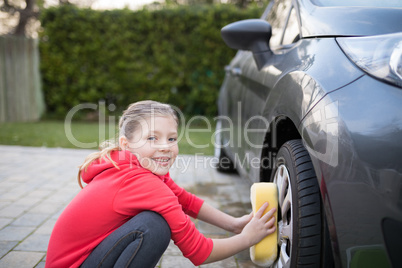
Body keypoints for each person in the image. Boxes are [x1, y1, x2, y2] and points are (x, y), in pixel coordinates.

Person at [46, 100, 276, 268]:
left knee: (153, 221)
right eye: (152, 138)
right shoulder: (141, 181)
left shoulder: (130, 164)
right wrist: (247, 239)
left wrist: (235, 225)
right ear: (127, 144)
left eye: (171, 138)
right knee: (153, 227)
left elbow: (184, 199)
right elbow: (200, 252)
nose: (165, 146)